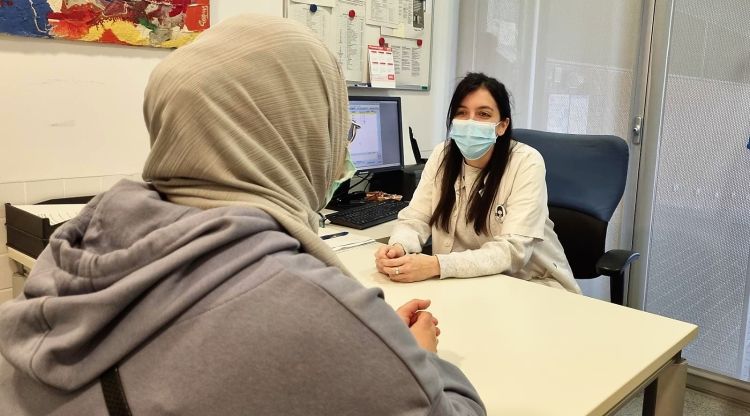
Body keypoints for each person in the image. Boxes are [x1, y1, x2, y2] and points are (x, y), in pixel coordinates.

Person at [0, 15, 485, 415]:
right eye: (338, 125)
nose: (341, 146)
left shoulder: (73, 251)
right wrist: (412, 357)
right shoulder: (308, 306)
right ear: (299, 130)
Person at [375, 73, 581, 294]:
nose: (471, 122)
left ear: (502, 126)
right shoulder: (442, 155)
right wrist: (399, 246)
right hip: (468, 284)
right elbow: (416, 218)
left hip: (532, 284)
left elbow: (513, 250)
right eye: (462, 113)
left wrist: (436, 265)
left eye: (483, 114)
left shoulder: (527, 162)